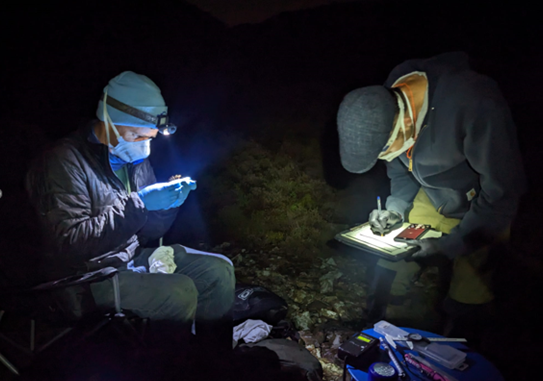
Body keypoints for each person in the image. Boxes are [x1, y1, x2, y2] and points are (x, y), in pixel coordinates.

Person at [25, 71, 235, 371]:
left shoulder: (133, 159)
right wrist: (139, 203)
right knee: (178, 291)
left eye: (149, 138)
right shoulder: (63, 161)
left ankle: (212, 366)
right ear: (109, 119)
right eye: (137, 136)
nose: (143, 146)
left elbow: (150, 231)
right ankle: (165, 373)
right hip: (83, 277)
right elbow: (69, 244)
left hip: (126, 258)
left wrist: (168, 204)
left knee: (218, 270)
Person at [336, 52, 525, 340]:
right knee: (393, 257)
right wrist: (396, 209)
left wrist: (447, 245)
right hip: (434, 191)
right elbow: (400, 170)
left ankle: (460, 350)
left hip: (484, 202)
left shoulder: (475, 103)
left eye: (385, 151)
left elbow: (504, 192)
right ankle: (377, 333)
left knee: (471, 285)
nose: (387, 158)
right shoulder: (386, 104)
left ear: (402, 124)